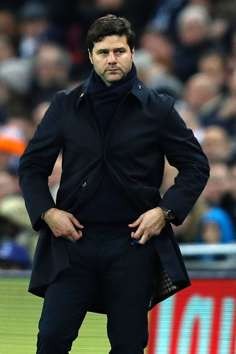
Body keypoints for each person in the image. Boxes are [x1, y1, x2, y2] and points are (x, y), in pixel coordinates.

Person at [19, 14, 209, 354]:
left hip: (133, 243)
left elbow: (196, 166)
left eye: (119, 51)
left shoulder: (158, 109)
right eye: (104, 52)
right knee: (51, 338)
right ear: (90, 55)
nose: (112, 59)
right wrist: (47, 212)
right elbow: (32, 166)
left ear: (133, 52)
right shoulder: (65, 105)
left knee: (128, 345)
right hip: (73, 241)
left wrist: (165, 212)